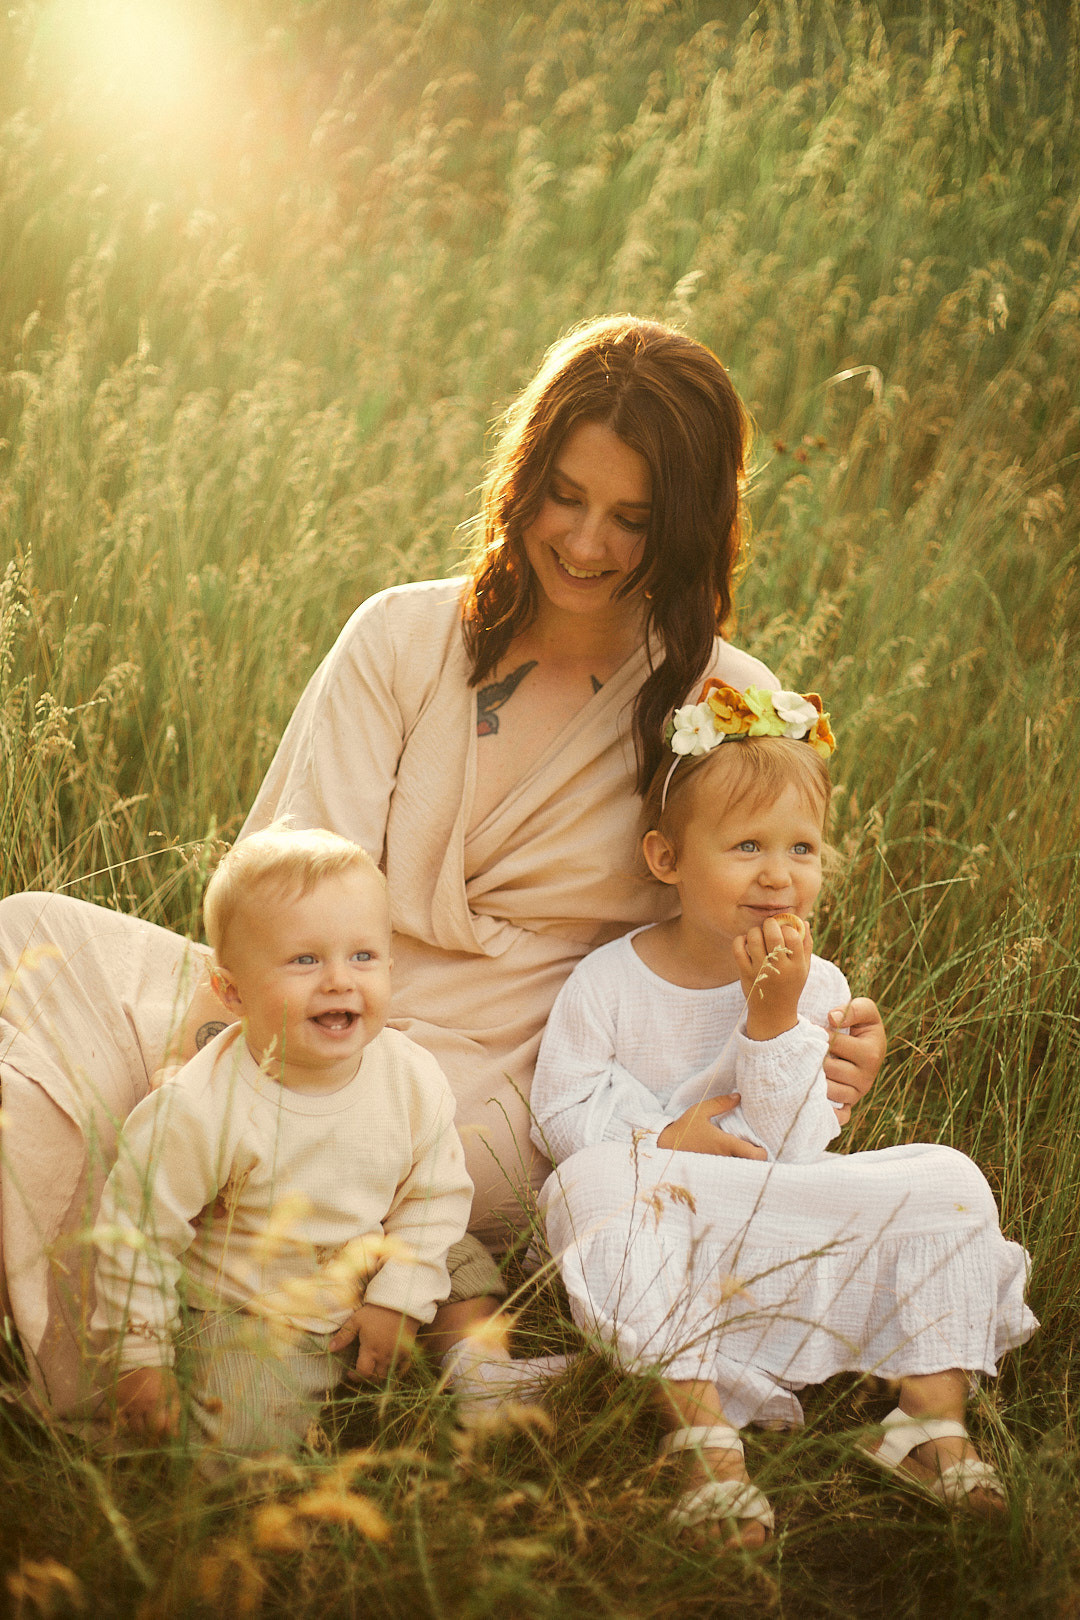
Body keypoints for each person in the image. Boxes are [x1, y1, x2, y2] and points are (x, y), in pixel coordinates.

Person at [0, 315, 886, 1418]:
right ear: (524, 479)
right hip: (321, 991)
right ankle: (142, 1280)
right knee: (29, 939)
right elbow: (289, 882)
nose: (586, 543)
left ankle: (142, 1314)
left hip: (505, 1090)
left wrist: (814, 1037)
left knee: (237, 1123)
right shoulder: (402, 638)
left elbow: (754, 907)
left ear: (690, 530)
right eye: (565, 496)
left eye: (633, 520)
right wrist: (228, 1056)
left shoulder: (725, 702)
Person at [531, 683, 1037, 1544]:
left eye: (802, 847)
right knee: (589, 1188)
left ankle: (927, 1426)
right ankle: (706, 1448)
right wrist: (661, 1142)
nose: (779, 873)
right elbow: (561, 1111)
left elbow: (800, 1146)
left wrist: (772, 1017)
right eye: (747, 846)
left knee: (949, 1181)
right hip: (665, 1218)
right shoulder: (610, 980)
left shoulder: (819, 983)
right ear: (666, 858)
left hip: (776, 1209)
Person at [91, 826, 473, 1455]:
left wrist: (399, 1299)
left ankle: (482, 1379)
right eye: (304, 960)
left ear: (389, 964)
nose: (339, 980)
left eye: (363, 956)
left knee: (462, 1257)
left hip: (377, 1257)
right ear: (231, 991)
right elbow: (136, 1230)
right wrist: (138, 1355)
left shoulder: (410, 1075)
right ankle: (285, 1427)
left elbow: (434, 1197)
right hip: (258, 1311)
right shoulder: (202, 1108)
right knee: (239, 1440)